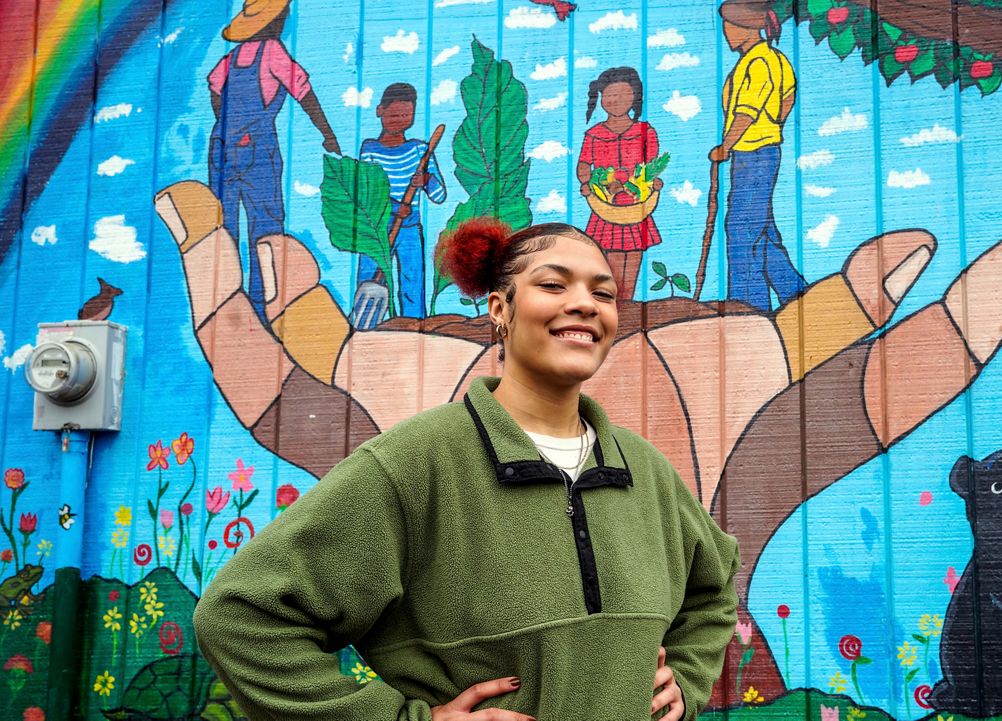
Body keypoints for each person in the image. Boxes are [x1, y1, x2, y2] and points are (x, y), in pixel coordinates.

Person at [192, 218, 741, 720]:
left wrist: (688, 682)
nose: (585, 304)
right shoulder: (414, 463)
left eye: (603, 293)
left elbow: (712, 591)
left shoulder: (645, 471)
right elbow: (240, 617)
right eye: (554, 285)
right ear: (499, 309)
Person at [208, 0, 340, 324]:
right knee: (265, 228)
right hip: (257, 151)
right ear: (275, 21)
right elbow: (303, 92)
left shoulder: (232, 57)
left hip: (222, 149)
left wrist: (228, 127)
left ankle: (226, 306)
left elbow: (214, 89)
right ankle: (260, 308)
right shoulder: (272, 51)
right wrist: (327, 133)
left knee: (224, 228)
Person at [711, 0, 804, 311]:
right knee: (760, 229)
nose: (725, 32)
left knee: (741, 228)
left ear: (747, 27)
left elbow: (745, 114)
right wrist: (776, 121)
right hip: (760, 152)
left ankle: (748, 307)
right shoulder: (773, 59)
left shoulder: (758, 63)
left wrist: (726, 146)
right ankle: (795, 293)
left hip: (753, 154)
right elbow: (788, 95)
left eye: (729, 25)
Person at [359, 82, 447, 319]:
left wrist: (426, 179)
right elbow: (368, 191)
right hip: (375, 228)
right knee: (369, 278)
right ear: (380, 111)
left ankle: (414, 326)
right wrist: (397, 207)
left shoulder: (419, 150)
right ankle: (366, 330)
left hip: (408, 229)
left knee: (412, 283)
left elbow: (439, 195)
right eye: (395, 114)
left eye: (407, 115)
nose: (401, 119)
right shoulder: (370, 150)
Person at [577, 67, 663, 301]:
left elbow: (651, 166)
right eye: (610, 96)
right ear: (601, 98)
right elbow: (584, 165)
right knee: (612, 259)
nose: (616, 101)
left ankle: (629, 305)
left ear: (635, 96)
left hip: (636, 204)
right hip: (606, 206)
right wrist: (587, 182)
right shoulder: (594, 134)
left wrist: (653, 181)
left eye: (624, 95)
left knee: (634, 256)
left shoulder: (645, 132)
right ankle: (617, 305)